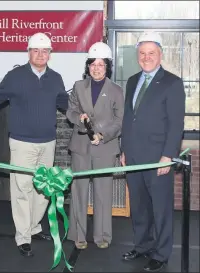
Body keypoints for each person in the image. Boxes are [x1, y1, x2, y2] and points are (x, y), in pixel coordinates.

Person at [0, 32, 69, 257]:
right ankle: (22, 237)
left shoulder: (56, 78)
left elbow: (65, 104)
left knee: (43, 188)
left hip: (48, 142)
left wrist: (83, 115)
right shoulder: (15, 76)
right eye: (36, 50)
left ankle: (34, 227)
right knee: (22, 189)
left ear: (50, 54)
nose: (41, 54)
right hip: (22, 142)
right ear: (29, 52)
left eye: (45, 51)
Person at [120, 32, 185, 272]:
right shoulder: (132, 81)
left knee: (161, 208)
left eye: (151, 53)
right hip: (134, 156)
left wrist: (168, 155)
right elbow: (129, 118)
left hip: (158, 158)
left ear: (160, 55)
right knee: (138, 206)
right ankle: (142, 246)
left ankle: (161, 253)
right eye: (142, 53)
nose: (146, 57)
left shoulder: (172, 82)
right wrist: (124, 150)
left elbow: (176, 123)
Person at [66, 42, 125, 250]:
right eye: (93, 64)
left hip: (105, 148)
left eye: (101, 64)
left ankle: (102, 236)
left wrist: (102, 134)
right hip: (81, 147)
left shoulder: (116, 91)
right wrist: (78, 118)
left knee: (103, 193)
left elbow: (119, 121)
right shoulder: (78, 87)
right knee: (79, 192)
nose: (96, 68)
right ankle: (78, 235)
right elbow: (70, 111)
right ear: (88, 66)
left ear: (107, 66)